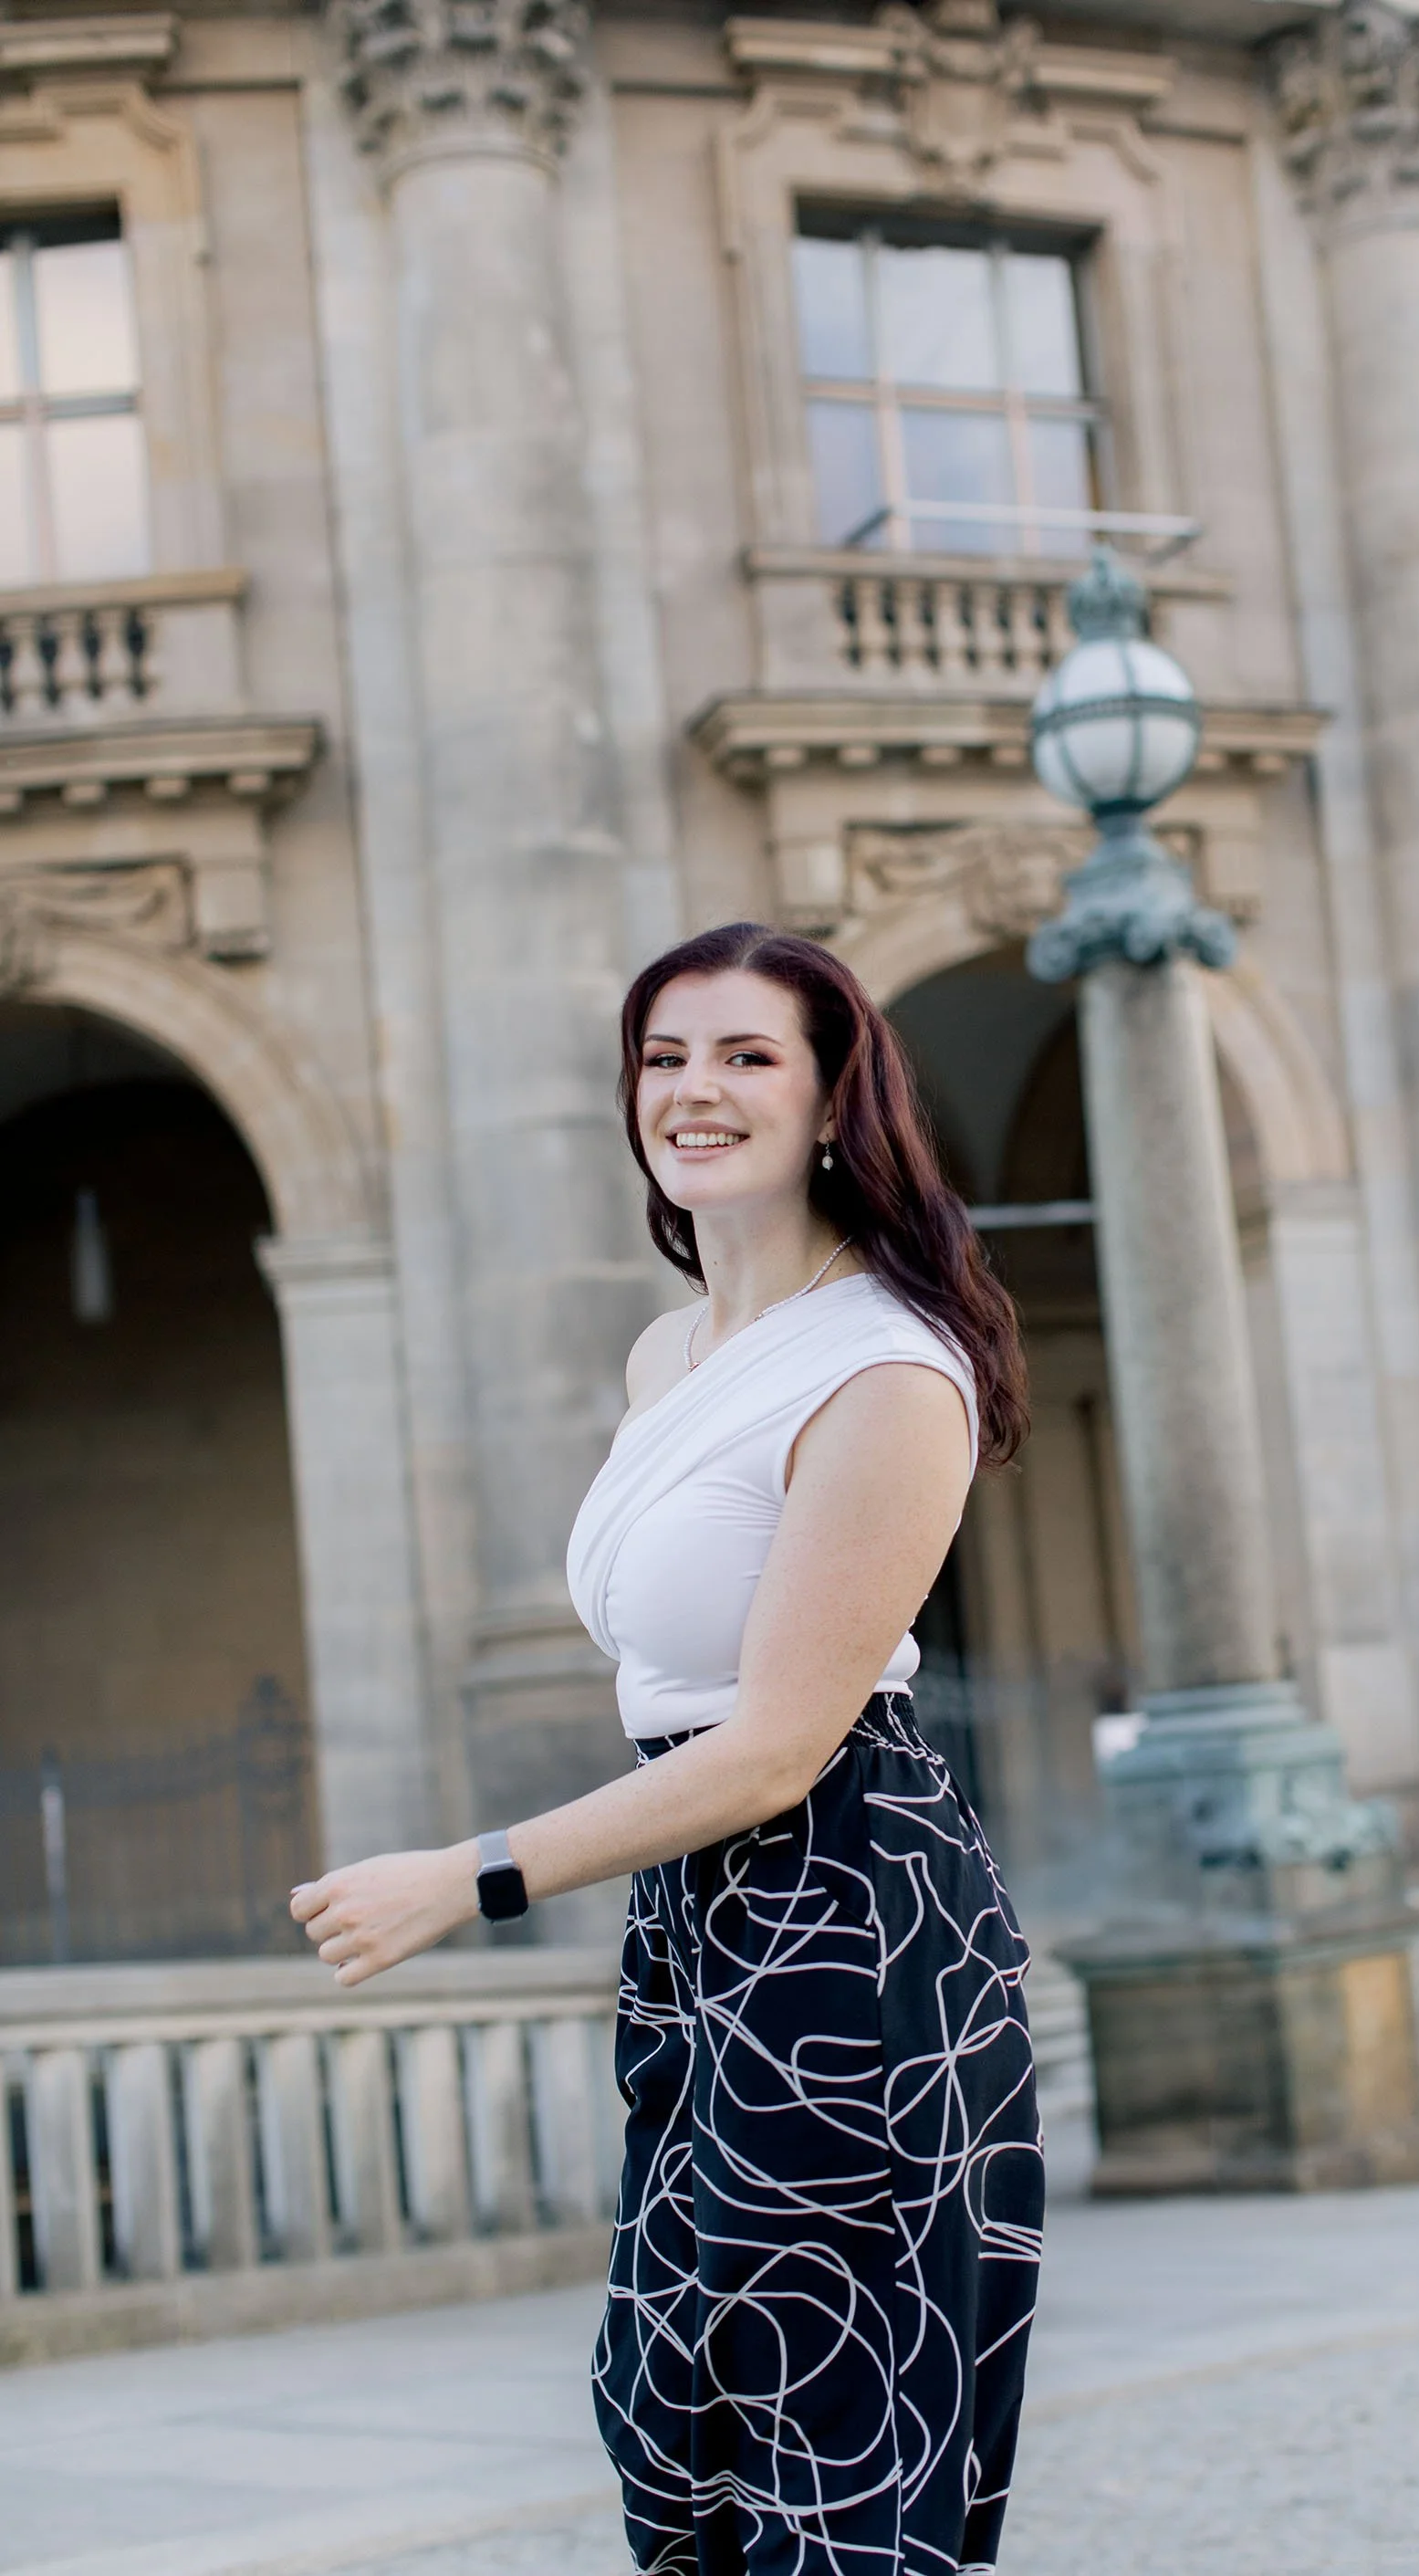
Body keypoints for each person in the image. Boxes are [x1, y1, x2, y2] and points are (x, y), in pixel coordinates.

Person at [290, 920, 1046, 2576]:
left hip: (851, 1907)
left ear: (837, 1098)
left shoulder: (886, 1367)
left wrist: (467, 1877)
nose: (693, 1088)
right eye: (663, 1055)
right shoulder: (669, 1354)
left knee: (828, 2450)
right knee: (670, 2414)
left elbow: (779, 1744)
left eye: (746, 1054)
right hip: (698, 1922)